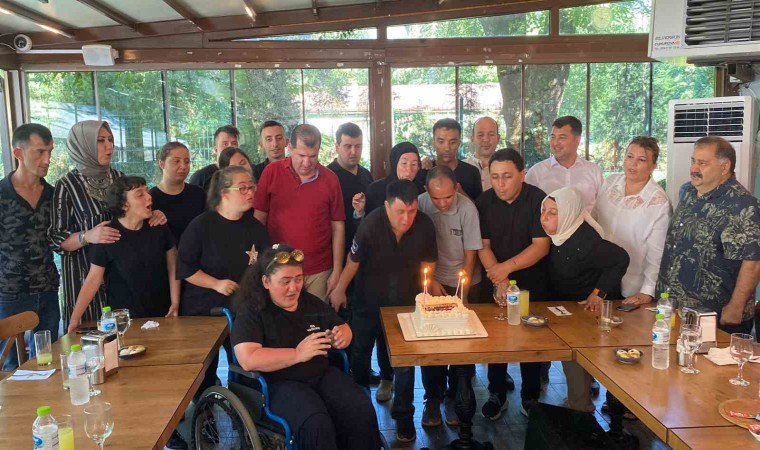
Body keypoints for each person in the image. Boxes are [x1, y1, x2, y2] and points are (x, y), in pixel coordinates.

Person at [232, 244, 380, 450]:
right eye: (285, 281)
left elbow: (343, 327)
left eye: (298, 279)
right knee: (316, 423)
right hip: (279, 382)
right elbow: (248, 359)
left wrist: (342, 336)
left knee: (360, 408)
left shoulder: (309, 302)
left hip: (321, 374)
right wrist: (297, 354)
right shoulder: (252, 311)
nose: (294, 288)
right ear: (266, 281)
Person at [329, 180, 438, 442]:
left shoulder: (425, 225)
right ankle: (359, 415)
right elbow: (353, 261)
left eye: (411, 211)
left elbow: (429, 263)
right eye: (400, 212)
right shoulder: (371, 224)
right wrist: (340, 289)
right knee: (360, 356)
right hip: (368, 300)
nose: (406, 218)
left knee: (405, 364)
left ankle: (404, 416)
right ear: (387, 206)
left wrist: (431, 289)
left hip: (406, 303)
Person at [49, 120, 166, 330]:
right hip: (85, 275)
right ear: (83, 145)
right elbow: (57, 240)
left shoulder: (119, 177)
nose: (109, 146)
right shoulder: (66, 186)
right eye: (100, 141)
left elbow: (134, 213)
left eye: (110, 139)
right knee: (89, 339)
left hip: (123, 278)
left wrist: (155, 214)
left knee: (128, 338)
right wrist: (87, 236)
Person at [178, 165, 270, 394]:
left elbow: (266, 267)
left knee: (245, 368)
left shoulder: (256, 228)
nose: (250, 193)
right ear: (224, 193)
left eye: (252, 187)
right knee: (203, 372)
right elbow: (185, 268)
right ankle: (204, 409)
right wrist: (216, 283)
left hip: (242, 310)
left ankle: (246, 407)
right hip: (203, 309)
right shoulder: (201, 225)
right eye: (243, 188)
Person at [476, 148, 551, 420]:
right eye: (495, 177)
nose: (501, 184)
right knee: (496, 339)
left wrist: (504, 270)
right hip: (496, 280)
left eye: (507, 176)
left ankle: (530, 395)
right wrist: (501, 281)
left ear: (522, 174)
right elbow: (482, 246)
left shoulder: (538, 199)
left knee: (530, 339)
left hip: (532, 278)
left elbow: (541, 246)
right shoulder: (483, 202)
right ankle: (496, 393)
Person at [657, 136, 759, 334]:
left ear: (724, 167)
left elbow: (752, 262)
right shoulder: (687, 192)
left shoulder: (742, 205)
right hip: (674, 308)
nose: (694, 168)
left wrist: (736, 307)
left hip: (716, 316)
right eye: (693, 161)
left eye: (702, 163)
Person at [541, 187, 629, 413]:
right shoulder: (558, 235)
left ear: (568, 214)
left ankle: (580, 409)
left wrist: (598, 293)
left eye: (553, 213)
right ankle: (578, 401)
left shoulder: (586, 242)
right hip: (567, 306)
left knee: (576, 357)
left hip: (587, 309)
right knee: (571, 357)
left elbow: (620, 258)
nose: (544, 218)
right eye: (543, 211)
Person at [66, 176, 179, 332]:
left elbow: (173, 266)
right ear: (124, 205)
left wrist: (175, 302)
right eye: (140, 194)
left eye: (147, 191)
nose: (149, 197)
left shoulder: (158, 226)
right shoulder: (107, 235)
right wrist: (74, 319)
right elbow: (93, 279)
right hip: (124, 321)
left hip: (162, 315)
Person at [417, 165, 482, 427]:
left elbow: (471, 253)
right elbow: (416, 247)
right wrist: (432, 281)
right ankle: (432, 398)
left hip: (461, 280)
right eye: (436, 198)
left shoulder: (467, 208)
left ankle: (454, 397)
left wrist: (462, 293)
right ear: (426, 191)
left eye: (448, 197)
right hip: (433, 278)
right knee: (431, 343)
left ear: (456, 188)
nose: (443, 204)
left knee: (459, 343)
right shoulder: (420, 203)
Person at [254, 124, 345, 302]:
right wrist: (259, 264)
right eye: (301, 156)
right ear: (290, 148)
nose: (307, 163)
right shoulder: (271, 172)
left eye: (313, 156)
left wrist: (337, 271)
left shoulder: (330, 179)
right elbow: (258, 220)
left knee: (316, 318)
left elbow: (338, 227)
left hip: (319, 270)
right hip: (279, 267)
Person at [0, 124, 59, 370]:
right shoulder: (2, 194)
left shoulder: (54, 195)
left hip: (47, 288)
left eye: (50, 151)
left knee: (47, 362)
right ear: (18, 153)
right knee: (9, 367)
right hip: (9, 291)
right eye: (40, 152)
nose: (47, 159)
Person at [594, 137, 672, 305]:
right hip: (597, 277)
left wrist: (647, 291)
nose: (633, 164)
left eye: (641, 160)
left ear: (653, 166)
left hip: (630, 284)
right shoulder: (610, 182)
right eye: (630, 156)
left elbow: (657, 253)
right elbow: (594, 221)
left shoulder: (658, 202)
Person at [525, 116, 603, 212]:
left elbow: (603, 208)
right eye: (553, 137)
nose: (555, 143)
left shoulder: (594, 172)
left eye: (562, 137)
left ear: (577, 140)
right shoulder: (536, 172)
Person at [149, 142, 206, 241]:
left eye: (187, 162)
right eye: (177, 161)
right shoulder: (150, 198)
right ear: (162, 164)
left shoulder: (198, 193)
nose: (183, 166)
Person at [417, 118, 483, 200]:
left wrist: (461, 194)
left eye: (452, 142)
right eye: (441, 142)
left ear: (459, 143)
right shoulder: (424, 172)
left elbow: (480, 207)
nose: (447, 148)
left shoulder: (472, 172)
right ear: (434, 142)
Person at [359, 142, 422, 218]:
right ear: (394, 164)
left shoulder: (421, 190)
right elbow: (368, 222)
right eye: (404, 163)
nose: (409, 170)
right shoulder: (376, 190)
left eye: (414, 164)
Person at [188, 125, 240, 192]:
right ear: (216, 150)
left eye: (234, 143)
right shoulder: (201, 177)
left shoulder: (245, 173)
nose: (230, 147)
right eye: (225, 144)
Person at [464, 116, 500, 191]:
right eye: (480, 135)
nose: (486, 139)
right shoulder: (462, 167)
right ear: (472, 139)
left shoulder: (508, 168)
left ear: (498, 138)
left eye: (491, 134)